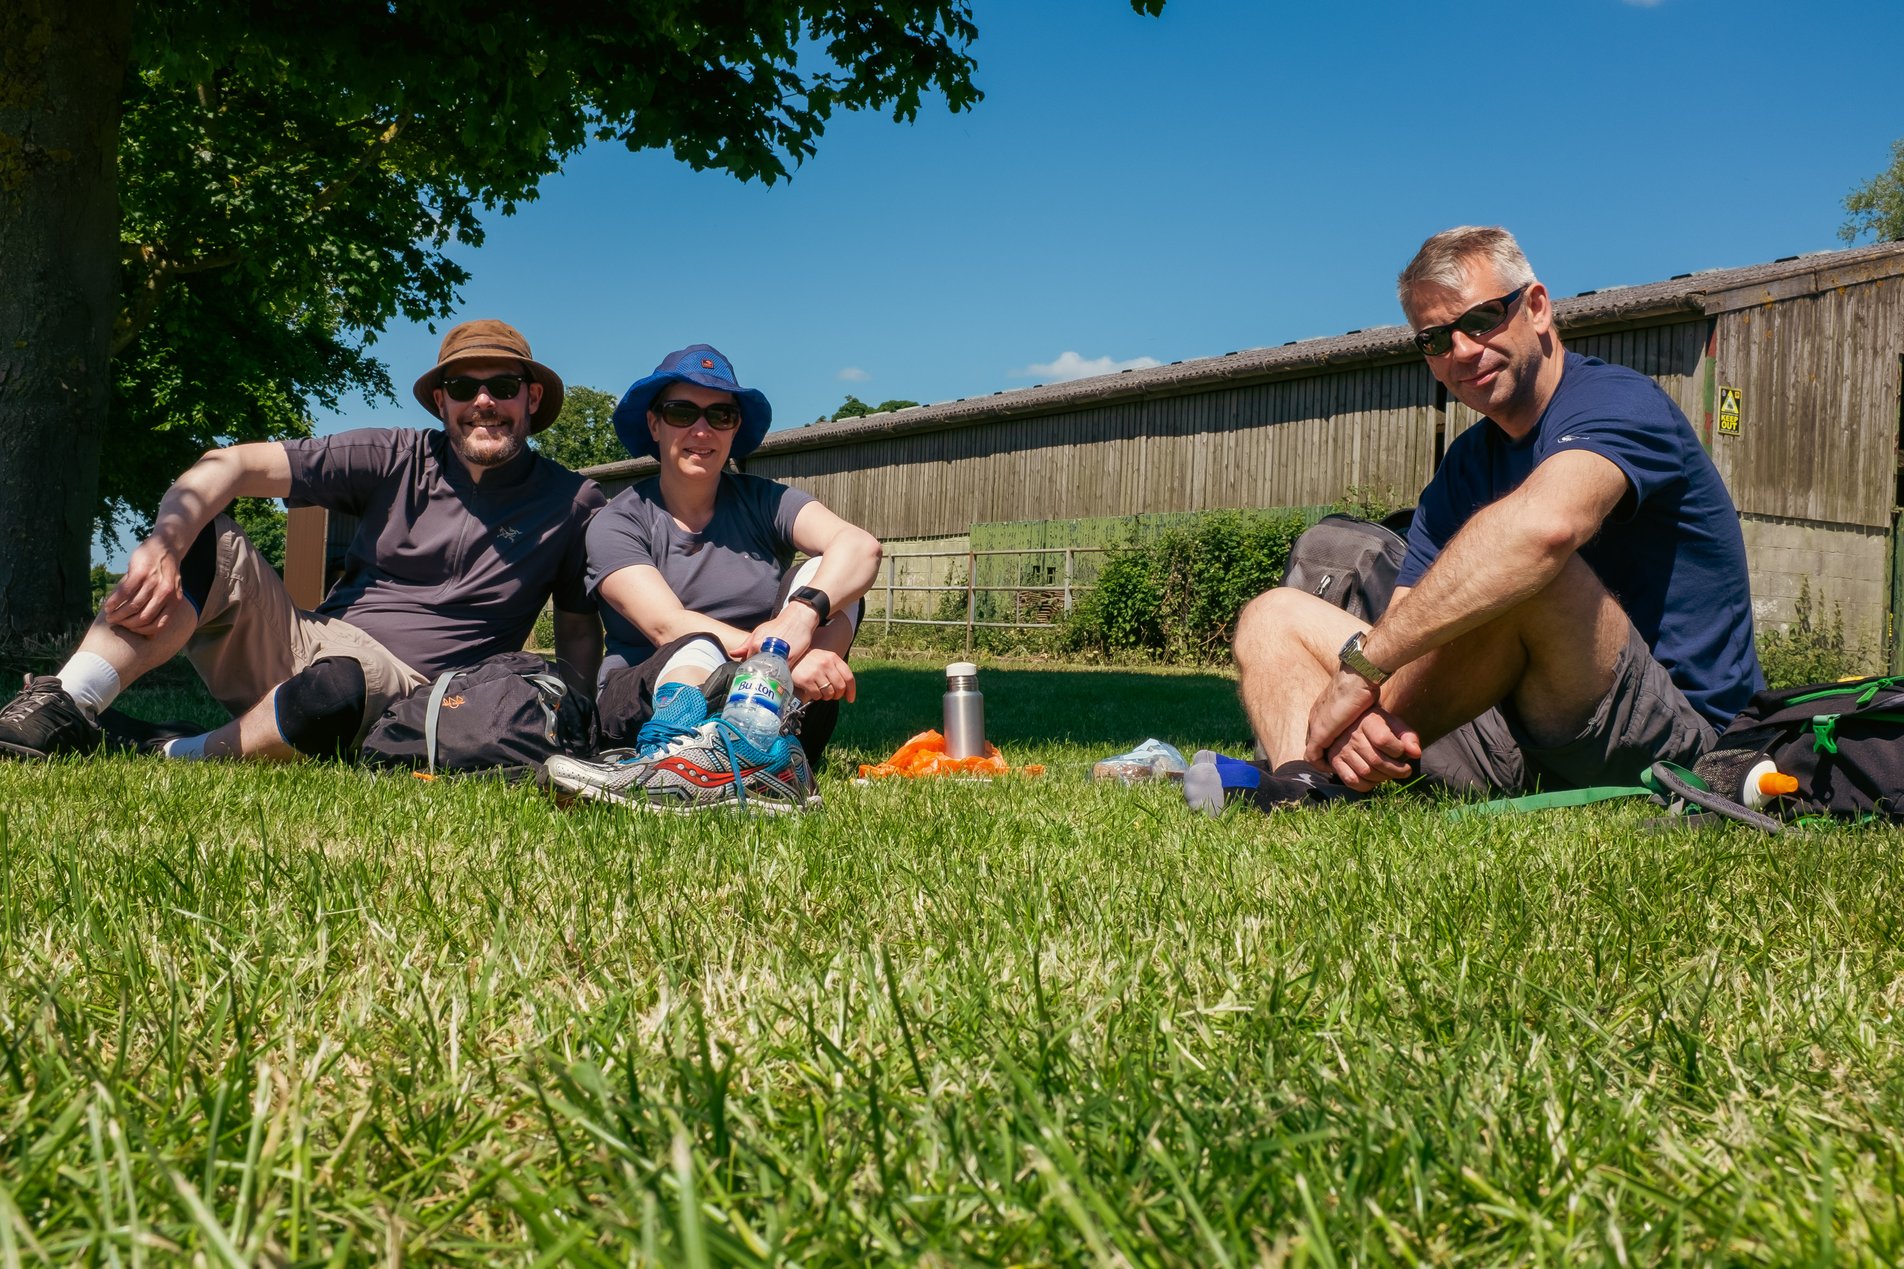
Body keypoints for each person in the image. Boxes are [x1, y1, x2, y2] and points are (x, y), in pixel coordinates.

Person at [1193, 226, 1761, 811]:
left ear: (1536, 308)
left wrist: (1362, 672)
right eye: (1434, 339)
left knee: (1524, 570)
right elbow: (1407, 618)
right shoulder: (1465, 464)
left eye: (1481, 320)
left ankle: (1328, 775)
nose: (1461, 350)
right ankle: (1302, 788)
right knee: (1272, 615)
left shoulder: (1618, 403)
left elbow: (1545, 531)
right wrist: (1371, 705)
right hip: (1516, 730)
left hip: (1669, 734)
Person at [0, 320, 604, 763]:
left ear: (532, 397)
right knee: (203, 536)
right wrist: (162, 543)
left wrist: (577, 722)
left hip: (414, 690)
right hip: (305, 637)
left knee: (338, 686)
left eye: (502, 385)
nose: (484, 402)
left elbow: (578, 628)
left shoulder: (572, 503)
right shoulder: (395, 454)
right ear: (440, 400)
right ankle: (66, 703)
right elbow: (229, 465)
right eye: (463, 386)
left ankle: (166, 748)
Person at [543, 344, 881, 813]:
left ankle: (744, 764)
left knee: (829, 578)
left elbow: (860, 547)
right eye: (682, 412)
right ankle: (670, 761)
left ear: (735, 428)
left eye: (720, 414)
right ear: (654, 425)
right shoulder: (617, 522)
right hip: (652, 701)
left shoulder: (766, 501)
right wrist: (776, 663)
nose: (701, 429)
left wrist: (803, 622)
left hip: (769, 706)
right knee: (694, 644)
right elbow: (666, 625)